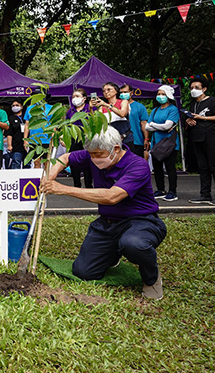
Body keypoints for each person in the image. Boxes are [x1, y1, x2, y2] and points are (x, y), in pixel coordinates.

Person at [40, 126, 166, 299]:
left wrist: (63, 189)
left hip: (141, 221)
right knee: (83, 271)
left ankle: (152, 278)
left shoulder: (137, 165)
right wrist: (51, 174)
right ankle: (112, 255)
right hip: (107, 223)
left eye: (97, 155)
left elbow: (112, 197)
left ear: (115, 148)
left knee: (133, 244)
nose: (93, 159)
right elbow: (65, 157)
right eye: (90, 154)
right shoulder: (93, 155)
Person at [145, 85, 180, 202]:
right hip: (156, 144)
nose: (160, 96)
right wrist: (159, 126)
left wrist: (153, 125)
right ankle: (160, 189)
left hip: (169, 144)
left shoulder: (173, 109)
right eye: (159, 94)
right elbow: (146, 127)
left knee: (170, 168)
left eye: (163, 94)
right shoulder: (155, 110)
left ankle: (172, 192)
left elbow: (167, 126)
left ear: (168, 96)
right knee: (157, 168)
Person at [185, 78, 215, 204]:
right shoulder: (193, 104)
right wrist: (189, 121)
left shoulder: (212, 100)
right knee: (203, 167)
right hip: (197, 138)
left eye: (197, 87)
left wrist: (203, 118)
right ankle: (205, 194)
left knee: (213, 166)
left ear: (204, 89)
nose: (193, 90)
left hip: (211, 136)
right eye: (192, 88)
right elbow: (191, 119)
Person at [65, 88, 93, 188]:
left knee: (87, 161)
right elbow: (67, 125)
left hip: (87, 138)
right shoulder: (70, 111)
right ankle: (76, 184)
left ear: (84, 98)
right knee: (73, 160)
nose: (74, 99)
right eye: (73, 97)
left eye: (77, 96)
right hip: (73, 138)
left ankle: (88, 185)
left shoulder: (90, 109)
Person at [23, 96, 53, 168]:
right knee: (36, 161)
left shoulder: (51, 108)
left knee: (46, 162)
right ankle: (38, 179)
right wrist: (25, 139)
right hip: (34, 140)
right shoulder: (29, 108)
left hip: (47, 139)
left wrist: (53, 139)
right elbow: (27, 125)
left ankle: (46, 179)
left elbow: (53, 125)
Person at [120, 83, 148, 158]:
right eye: (121, 92)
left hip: (137, 141)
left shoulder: (140, 107)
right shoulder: (116, 106)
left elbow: (143, 124)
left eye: (125, 92)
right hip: (120, 141)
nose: (123, 94)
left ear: (131, 93)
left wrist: (146, 138)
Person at [5, 100, 26, 169]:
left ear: (22, 107)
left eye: (17, 105)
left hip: (27, 145)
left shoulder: (26, 118)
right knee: (16, 163)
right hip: (16, 145)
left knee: (27, 164)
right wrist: (9, 145)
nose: (15, 107)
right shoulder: (10, 118)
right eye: (13, 106)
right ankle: (14, 179)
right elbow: (9, 133)